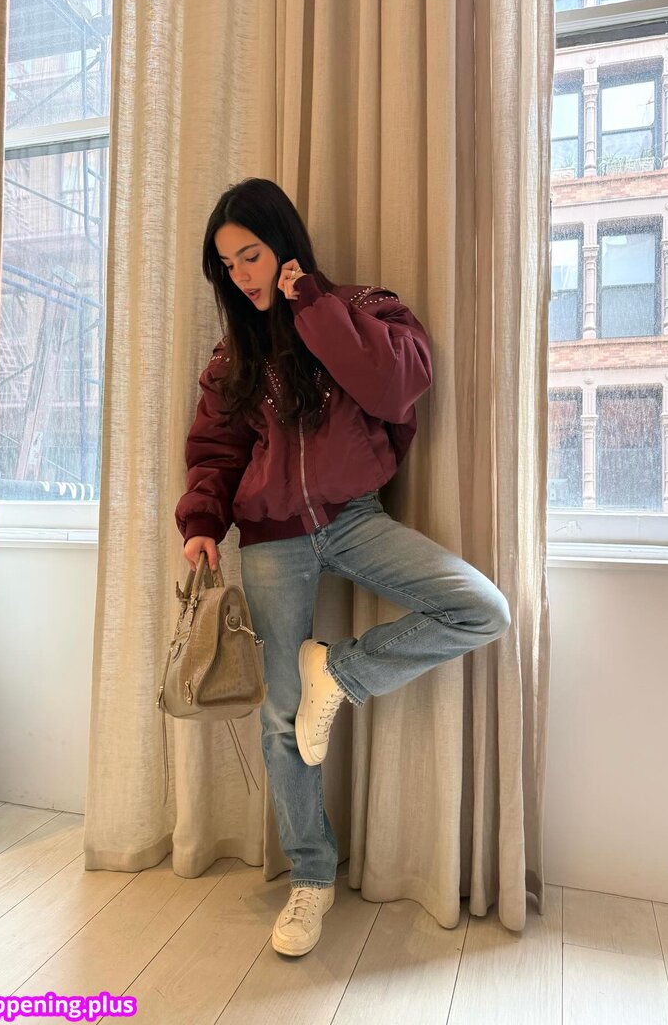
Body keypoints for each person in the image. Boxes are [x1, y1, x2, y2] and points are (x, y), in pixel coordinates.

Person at [175, 177, 511, 957]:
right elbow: (216, 451)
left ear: (283, 244)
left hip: (354, 519)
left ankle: (342, 671)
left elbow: (398, 385)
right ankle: (311, 877)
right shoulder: (231, 356)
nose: (241, 275)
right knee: (280, 717)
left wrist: (312, 303)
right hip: (270, 539)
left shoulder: (363, 308)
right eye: (227, 265)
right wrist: (202, 524)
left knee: (481, 609)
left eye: (251, 255)